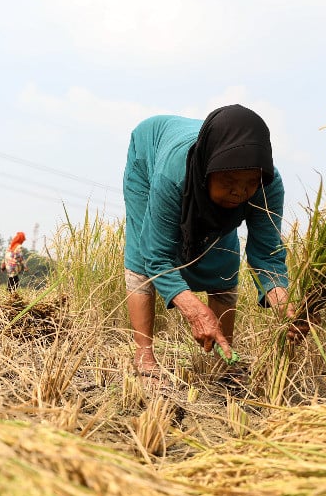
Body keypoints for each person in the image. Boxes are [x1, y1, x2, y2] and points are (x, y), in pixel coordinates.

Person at [122, 104, 307, 376]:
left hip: (211, 157)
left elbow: (267, 255)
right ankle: (144, 358)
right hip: (150, 153)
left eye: (249, 183)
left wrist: (286, 308)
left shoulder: (266, 183)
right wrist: (194, 310)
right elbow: (156, 256)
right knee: (142, 251)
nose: (239, 192)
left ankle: (223, 363)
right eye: (230, 181)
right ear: (207, 170)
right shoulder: (171, 176)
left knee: (222, 259)